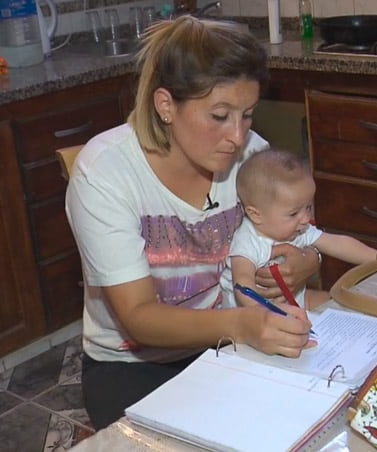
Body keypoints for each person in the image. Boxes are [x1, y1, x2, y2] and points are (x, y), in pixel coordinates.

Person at [64, 16, 321, 430]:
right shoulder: (106, 172)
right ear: (166, 106)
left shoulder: (253, 156)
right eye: (220, 115)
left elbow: (296, 235)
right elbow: (138, 317)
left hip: (224, 342)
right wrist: (241, 325)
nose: (237, 137)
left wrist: (307, 260)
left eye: (248, 114)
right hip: (131, 366)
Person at [220, 149, 377, 310]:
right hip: (250, 320)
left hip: (294, 304)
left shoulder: (299, 229)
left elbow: (337, 243)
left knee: (343, 305)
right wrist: (267, 313)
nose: (305, 219)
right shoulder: (247, 241)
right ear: (256, 215)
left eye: (308, 207)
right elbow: (242, 287)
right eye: (294, 213)